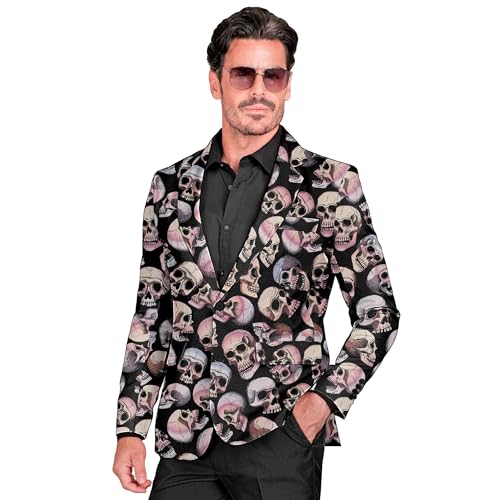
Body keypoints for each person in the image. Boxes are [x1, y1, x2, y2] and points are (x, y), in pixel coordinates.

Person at [112, 6, 401, 500]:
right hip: (186, 437)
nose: (259, 89)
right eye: (243, 74)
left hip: (281, 436)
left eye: (274, 75)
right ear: (215, 81)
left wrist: (319, 406)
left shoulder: (330, 184)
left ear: (288, 85)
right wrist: (129, 427)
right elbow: (152, 314)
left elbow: (379, 313)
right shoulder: (169, 187)